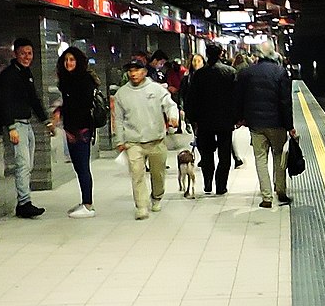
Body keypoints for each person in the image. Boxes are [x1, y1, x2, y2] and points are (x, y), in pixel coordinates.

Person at [113, 53, 178, 219]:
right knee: (137, 174)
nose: (133, 74)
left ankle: (156, 197)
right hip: (133, 142)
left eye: (137, 70)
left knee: (158, 174)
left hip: (156, 140)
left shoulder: (156, 89)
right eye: (130, 71)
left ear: (144, 71)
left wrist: (173, 117)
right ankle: (141, 206)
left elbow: (170, 105)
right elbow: (118, 119)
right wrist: (119, 140)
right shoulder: (122, 93)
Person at [0, 36, 45, 218]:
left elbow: (34, 99)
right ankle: (24, 203)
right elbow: (4, 103)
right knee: (22, 165)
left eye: (29, 53)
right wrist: (11, 127)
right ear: (15, 54)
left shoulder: (26, 73)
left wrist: (46, 121)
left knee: (28, 164)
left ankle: (24, 201)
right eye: (23, 53)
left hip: (27, 124)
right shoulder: (8, 76)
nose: (27, 57)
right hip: (17, 125)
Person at [237, 43, 296, 207]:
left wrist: (241, 118)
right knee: (279, 156)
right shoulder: (281, 72)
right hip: (277, 124)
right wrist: (289, 125)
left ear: (258, 55)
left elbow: (240, 98)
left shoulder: (247, 73)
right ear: (273, 54)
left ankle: (267, 197)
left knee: (260, 159)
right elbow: (286, 102)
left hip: (256, 125)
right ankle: (281, 191)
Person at [51, 45, 102, 217]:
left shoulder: (84, 80)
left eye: (72, 59)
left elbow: (81, 107)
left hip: (82, 129)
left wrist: (74, 130)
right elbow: (69, 105)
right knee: (79, 167)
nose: (68, 63)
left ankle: (88, 204)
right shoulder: (67, 80)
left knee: (82, 166)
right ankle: (85, 201)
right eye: (66, 60)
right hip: (72, 128)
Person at [182, 42, 239, 194]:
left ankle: (207, 184)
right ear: (221, 53)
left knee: (207, 154)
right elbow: (236, 97)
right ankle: (221, 186)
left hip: (204, 120)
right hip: (225, 121)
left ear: (206, 54)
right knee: (224, 154)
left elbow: (191, 98)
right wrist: (237, 117)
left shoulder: (199, 74)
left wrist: (192, 118)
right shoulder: (230, 72)